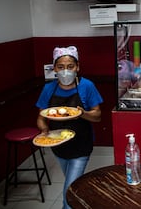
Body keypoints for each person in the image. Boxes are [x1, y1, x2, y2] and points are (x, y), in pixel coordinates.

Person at [36, 46, 103, 209]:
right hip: (58, 146)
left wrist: (82, 114)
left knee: (68, 195)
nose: (66, 71)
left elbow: (98, 116)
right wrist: (44, 131)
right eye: (61, 67)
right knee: (74, 186)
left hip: (81, 145)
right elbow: (41, 117)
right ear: (54, 69)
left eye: (70, 66)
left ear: (77, 67)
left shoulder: (87, 86)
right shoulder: (48, 89)